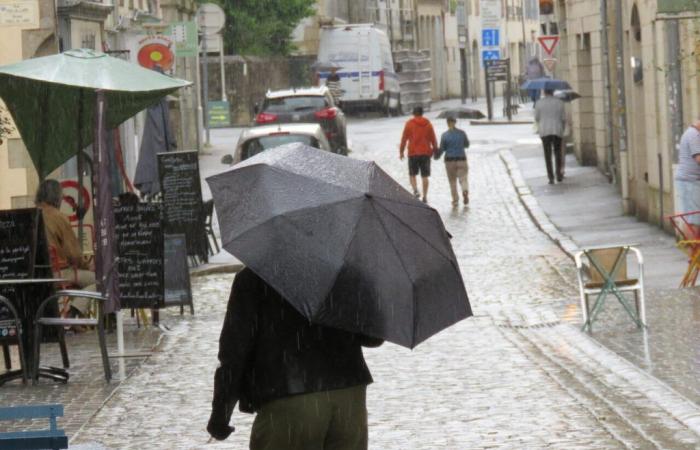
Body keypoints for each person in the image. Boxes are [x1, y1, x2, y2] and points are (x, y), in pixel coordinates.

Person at [207, 268, 383, 450]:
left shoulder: (255, 276)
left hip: (289, 400)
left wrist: (221, 413)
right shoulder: (345, 271)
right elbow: (373, 337)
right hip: (349, 400)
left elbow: (235, 352)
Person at [35, 179, 95, 316]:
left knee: (82, 280)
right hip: (59, 274)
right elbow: (74, 254)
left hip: (36, 274)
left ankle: (73, 312)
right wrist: (86, 266)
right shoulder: (58, 217)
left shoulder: (32, 215)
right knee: (100, 281)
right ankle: (73, 312)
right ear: (56, 197)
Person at [400, 106, 438, 203]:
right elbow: (433, 139)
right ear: (422, 113)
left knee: (412, 174)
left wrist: (401, 152)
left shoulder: (409, 124)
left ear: (413, 113)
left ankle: (415, 190)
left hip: (413, 153)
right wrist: (435, 150)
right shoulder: (428, 124)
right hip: (425, 153)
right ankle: (425, 196)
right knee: (425, 176)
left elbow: (404, 139)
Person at [434, 117, 470, 207]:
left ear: (448, 123)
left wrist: (437, 155)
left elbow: (442, 148)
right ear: (455, 122)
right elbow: (467, 144)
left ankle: (455, 200)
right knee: (463, 178)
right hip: (461, 158)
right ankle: (464, 190)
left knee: (452, 181)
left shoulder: (445, 135)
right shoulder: (462, 133)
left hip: (449, 160)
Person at [534, 89, 566, 184]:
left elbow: (537, 118)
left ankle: (550, 177)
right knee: (558, 153)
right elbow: (563, 118)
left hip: (544, 131)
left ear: (544, 92)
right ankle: (559, 175)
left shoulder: (539, 103)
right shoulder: (560, 103)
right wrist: (562, 128)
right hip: (557, 129)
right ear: (553, 92)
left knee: (547, 154)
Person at [674, 120, 700, 235]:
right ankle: (694, 251)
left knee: (694, 218)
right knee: (693, 220)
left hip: (691, 181)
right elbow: (699, 158)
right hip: (689, 182)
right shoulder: (694, 135)